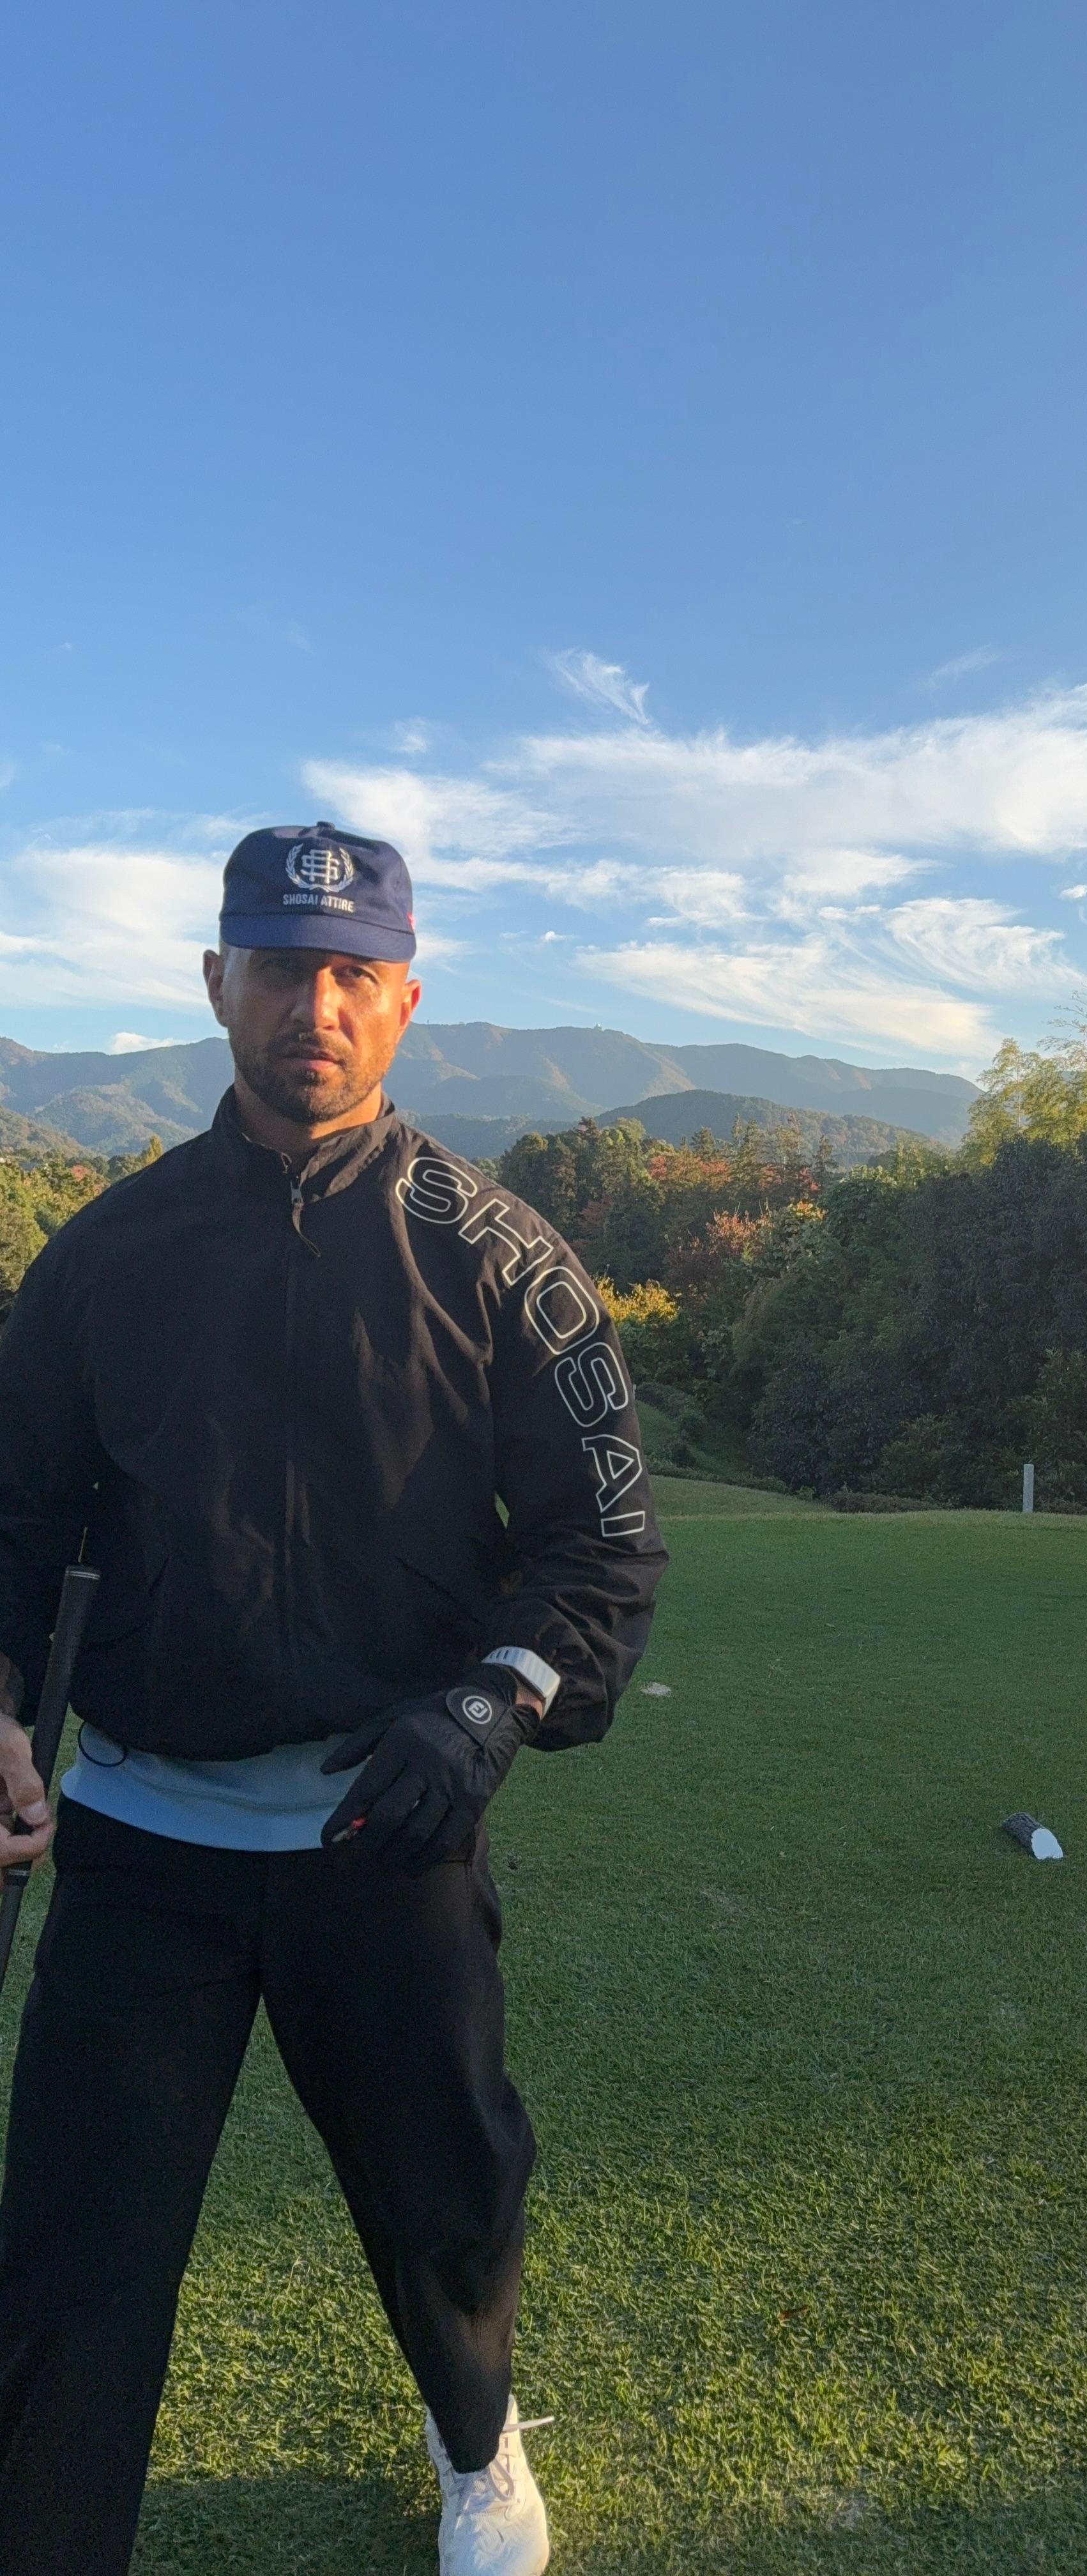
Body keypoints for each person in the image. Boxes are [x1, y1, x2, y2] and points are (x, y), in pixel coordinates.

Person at [0, 821, 667, 2575]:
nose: (317, 1005)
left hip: (390, 1832)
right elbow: (15, 1517)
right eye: (282, 967)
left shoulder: (502, 1256)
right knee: (71, 2262)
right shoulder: (104, 1254)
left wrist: (495, 1704)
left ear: (406, 1001)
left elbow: (602, 1542)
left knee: (448, 2196)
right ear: (216, 982)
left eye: (355, 973)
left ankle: (477, 2445)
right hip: (140, 1839)